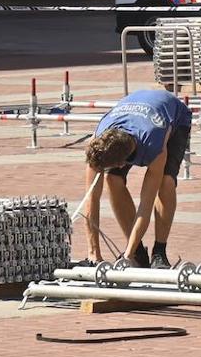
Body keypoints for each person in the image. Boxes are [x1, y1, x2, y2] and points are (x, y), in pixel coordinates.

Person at [81, 89, 192, 270]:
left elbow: (145, 207)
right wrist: (94, 254)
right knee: (112, 180)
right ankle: (139, 253)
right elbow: (90, 200)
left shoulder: (154, 145)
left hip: (174, 118)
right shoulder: (98, 141)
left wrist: (126, 256)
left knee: (166, 182)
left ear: (121, 163)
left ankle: (159, 253)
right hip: (132, 113)